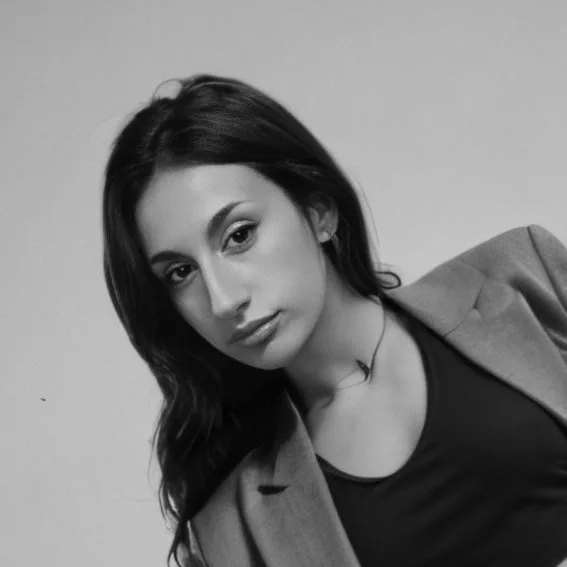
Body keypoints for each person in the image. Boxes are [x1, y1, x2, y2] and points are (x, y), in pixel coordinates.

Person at [102, 74, 567, 567]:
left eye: (239, 235)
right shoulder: (234, 521)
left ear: (319, 210)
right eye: (180, 272)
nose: (221, 300)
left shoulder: (525, 279)